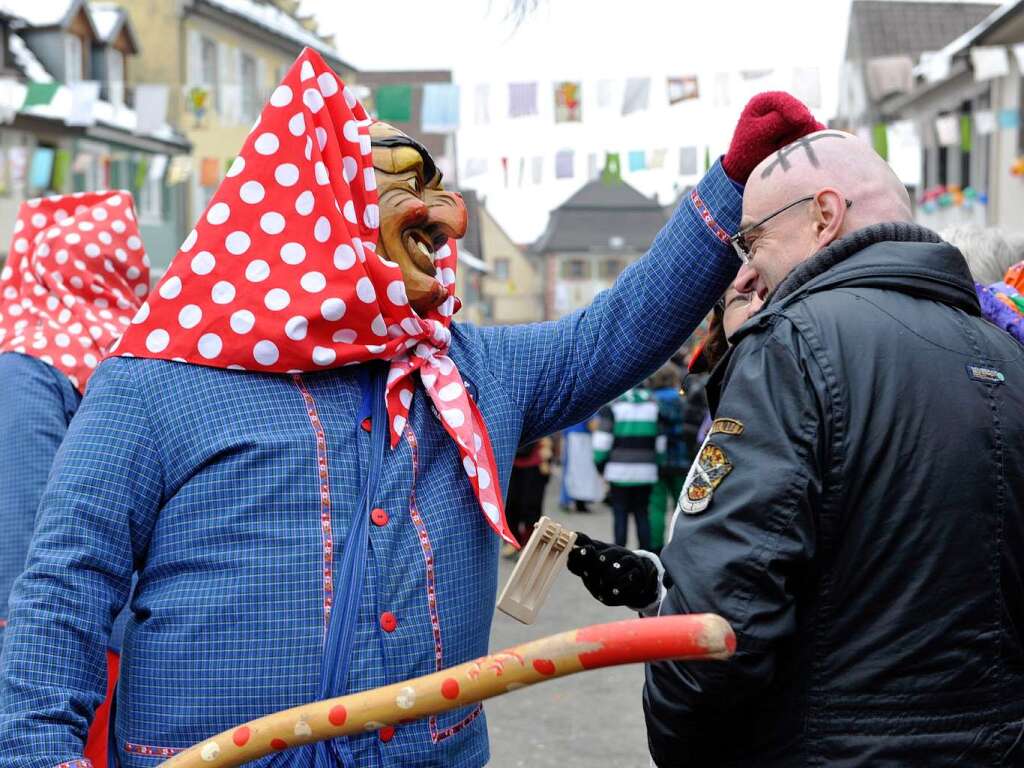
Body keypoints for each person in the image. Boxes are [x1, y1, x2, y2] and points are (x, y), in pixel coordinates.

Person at [0, 45, 823, 766]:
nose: (449, 221)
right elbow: (64, 587)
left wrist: (730, 185)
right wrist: (37, 754)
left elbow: (614, 332)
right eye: (410, 191)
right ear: (316, 215)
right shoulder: (157, 380)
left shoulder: (470, 371)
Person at [641, 131, 1024, 765]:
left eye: (752, 240)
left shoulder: (791, 346)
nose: (745, 269)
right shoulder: (1008, 354)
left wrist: (682, 741)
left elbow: (719, 614)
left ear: (825, 215)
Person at [0, 190, 151, 768]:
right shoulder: (129, 355)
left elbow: (23, 530)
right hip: (124, 628)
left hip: (48, 642)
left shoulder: (26, 367)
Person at [593, 385, 663, 550]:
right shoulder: (654, 405)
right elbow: (660, 443)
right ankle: (646, 558)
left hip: (618, 472)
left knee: (620, 514)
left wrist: (600, 465)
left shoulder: (613, 406)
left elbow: (602, 442)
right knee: (642, 514)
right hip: (646, 471)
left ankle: (619, 555)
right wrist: (658, 464)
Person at [646, 365, 686, 552]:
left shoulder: (651, 401)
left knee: (656, 505)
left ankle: (656, 547)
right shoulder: (683, 399)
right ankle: (682, 545)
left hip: (658, 460)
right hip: (682, 459)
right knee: (684, 506)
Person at [504, 438, 553, 552]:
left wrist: (546, 456)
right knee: (510, 505)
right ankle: (513, 541)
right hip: (513, 461)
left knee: (532, 506)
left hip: (535, 462)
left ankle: (530, 543)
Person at [558, 418, 603, 513]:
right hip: (580, 440)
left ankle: (569, 500)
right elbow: (593, 425)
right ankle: (579, 502)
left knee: (571, 472)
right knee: (580, 473)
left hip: (573, 437)